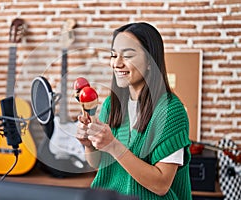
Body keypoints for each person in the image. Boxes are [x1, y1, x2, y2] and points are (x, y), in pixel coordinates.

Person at [76, 22, 192, 199]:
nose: (117, 63)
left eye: (127, 56)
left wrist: (113, 145)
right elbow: (101, 165)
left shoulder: (170, 111)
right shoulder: (111, 104)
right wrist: (89, 145)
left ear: (150, 62)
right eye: (113, 55)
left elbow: (161, 185)